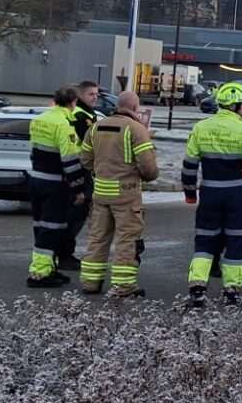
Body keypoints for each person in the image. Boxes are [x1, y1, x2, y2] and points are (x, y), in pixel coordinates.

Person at [182, 81, 242, 307]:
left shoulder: (201, 128)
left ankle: (197, 288)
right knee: (237, 243)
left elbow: (189, 165)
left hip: (209, 194)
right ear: (235, 106)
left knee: (205, 242)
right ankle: (231, 293)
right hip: (238, 196)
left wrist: (190, 193)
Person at [78, 90, 159, 298]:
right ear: (135, 108)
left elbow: (86, 159)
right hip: (126, 195)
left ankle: (90, 282)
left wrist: (102, 170)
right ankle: (124, 286)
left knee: (97, 238)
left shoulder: (96, 127)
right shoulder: (136, 129)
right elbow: (148, 169)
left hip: (100, 193)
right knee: (127, 240)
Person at [26, 86, 87, 288]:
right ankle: (39, 274)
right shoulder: (64, 124)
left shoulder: (39, 120)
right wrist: (79, 189)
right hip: (55, 185)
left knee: (42, 226)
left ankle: (50, 268)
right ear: (73, 103)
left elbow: (33, 151)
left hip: (37, 180)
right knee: (51, 228)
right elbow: (70, 161)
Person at [59, 81, 103, 268]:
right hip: (77, 171)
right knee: (74, 215)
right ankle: (64, 254)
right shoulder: (79, 115)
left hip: (82, 171)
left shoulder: (88, 114)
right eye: (91, 94)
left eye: (97, 94)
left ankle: (64, 252)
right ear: (81, 96)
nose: (95, 97)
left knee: (77, 215)